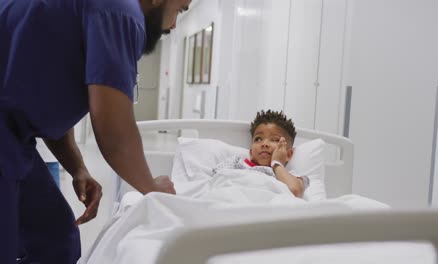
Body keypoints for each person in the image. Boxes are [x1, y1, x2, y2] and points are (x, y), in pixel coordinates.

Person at [0, 0, 191, 263]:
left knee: (56, 238)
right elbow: (113, 130)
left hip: (14, 138)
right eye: (180, 9)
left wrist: (78, 168)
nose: (173, 24)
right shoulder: (121, 11)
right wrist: (152, 188)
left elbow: (51, 99)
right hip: (7, 135)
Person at [214, 110, 309, 198]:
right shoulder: (236, 163)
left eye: (274, 139)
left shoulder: (291, 176)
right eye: (258, 139)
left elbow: (295, 191)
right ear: (251, 152)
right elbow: (217, 181)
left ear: (288, 154)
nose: (264, 144)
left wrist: (277, 164)